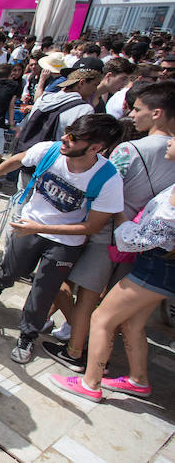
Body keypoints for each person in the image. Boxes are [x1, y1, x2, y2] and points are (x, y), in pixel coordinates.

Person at [0, 114, 125, 364]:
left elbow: (93, 226)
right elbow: (18, 160)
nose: (64, 138)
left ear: (94, 148)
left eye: (73, 137)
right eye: (67, 131)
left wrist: (40, 227)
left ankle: (27, 336)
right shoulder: (49, 151)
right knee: (11, 271)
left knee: (44, 290)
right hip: (29, 226)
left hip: (65, 241)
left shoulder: (108, 179)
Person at [43, 81, 175, 371]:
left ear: (157, 113)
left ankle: (77, 350)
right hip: (146, 241)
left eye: (138, 109)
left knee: (81, 291)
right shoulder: (170, 152)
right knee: (111, 299)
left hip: (108, 233)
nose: (132, 114)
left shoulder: (131, 149)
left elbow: (104, 186)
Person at [50, 147, 175, 402]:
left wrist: (119, 217)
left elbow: (143, 239)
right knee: (132, 324)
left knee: (102, 318)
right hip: (158, 269)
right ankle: (138, 380)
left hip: (155, 268)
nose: (169, 142)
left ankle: (90, 382)